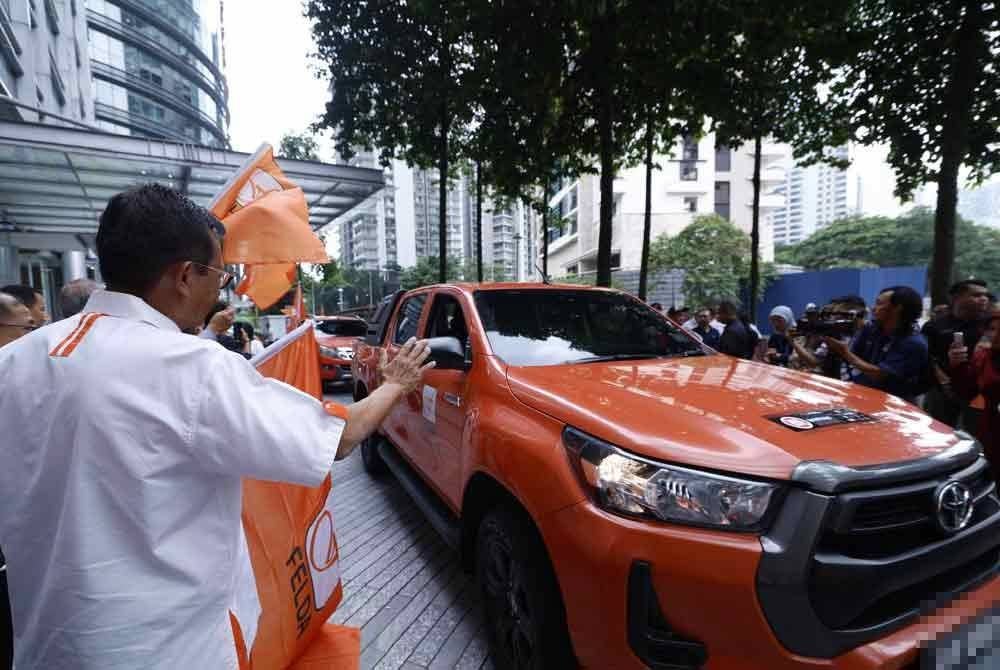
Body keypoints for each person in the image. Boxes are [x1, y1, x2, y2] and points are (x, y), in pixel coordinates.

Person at [0, 184, 433, 670]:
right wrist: (396, 383)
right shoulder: (191, 366)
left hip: (46, 646)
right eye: (219, 273)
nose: (220, 289)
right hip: (170, 649)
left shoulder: (12, 362)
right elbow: (341, 435)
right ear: (185, 276)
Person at [824, 286, 929, 403]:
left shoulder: (913, 343)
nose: (874, 308)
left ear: (897, 308)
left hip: (894, 405)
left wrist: (844, 352)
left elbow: (880, 375)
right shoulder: (871, 329)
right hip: (864, 397)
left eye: (879, 304)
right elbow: (854, 357)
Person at [922, 279, 991, 428]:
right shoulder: (934, 326)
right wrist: (944, 383)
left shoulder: (989, 326)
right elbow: (928, 357)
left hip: (978, 391)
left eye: (985, 295)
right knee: (940, 433)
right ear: (957, 297)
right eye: (976, 295)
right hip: (942, 391)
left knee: (976, 435)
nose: (984, 299)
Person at [949, 303, 1000, 477]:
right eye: (992, 328)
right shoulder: (983, 357)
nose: (997, 334)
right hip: (992, 429)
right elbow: (967, 392)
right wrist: (957, 366)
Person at [787, 296, 867, 378]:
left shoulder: (869, 336)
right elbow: (814, 362)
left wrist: (845, 353)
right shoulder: (835, 334)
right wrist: (794, 341)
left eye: (842, 316)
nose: (833, 319)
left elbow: (876, 373)